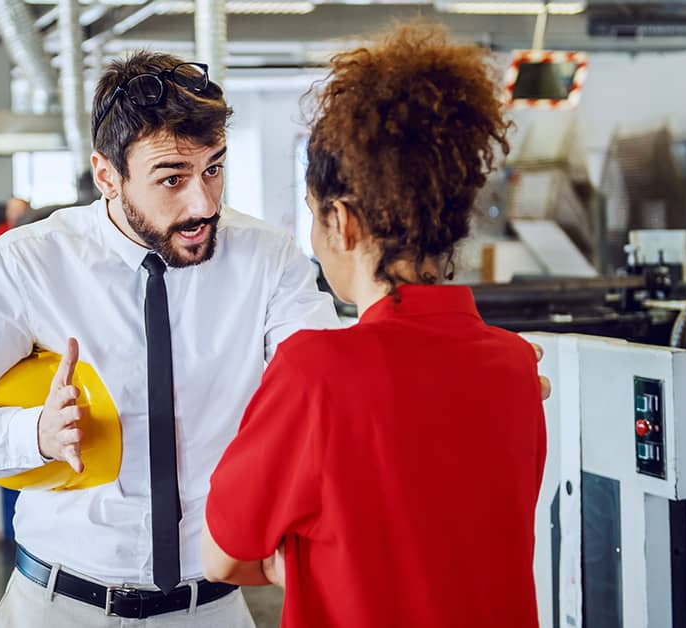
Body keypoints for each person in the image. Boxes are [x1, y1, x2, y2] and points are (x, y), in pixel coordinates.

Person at [0, 53, 338, 627]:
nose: (204, 204)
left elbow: (325, 390)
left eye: (214, 169)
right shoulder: (28, 262)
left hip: (211, 606)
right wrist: (34, 434)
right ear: (107, 175)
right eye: (172, 178)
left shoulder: (266, 257)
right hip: (60, 606)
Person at [200, 23, 546, 628]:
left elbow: (221, 557)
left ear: (342, 222)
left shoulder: (316, 373)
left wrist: (297, 564)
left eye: (313, 216)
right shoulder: (516, 366)